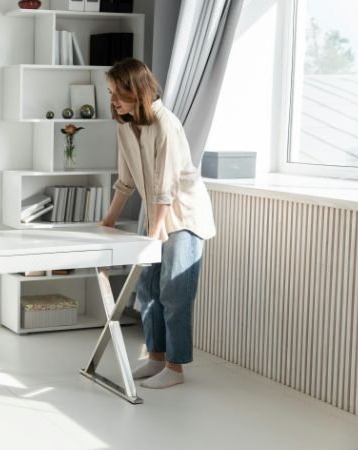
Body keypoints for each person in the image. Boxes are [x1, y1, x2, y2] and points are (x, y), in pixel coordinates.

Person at [100, 58, 216, 389]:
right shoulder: (125, 125)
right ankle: (155, 359)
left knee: (174, 291)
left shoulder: (166, 125)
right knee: (148, 289)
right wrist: (108, 220)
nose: (113, 101)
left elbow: (165, 186)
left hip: (183, 217)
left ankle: (175, 367)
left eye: (118, 93)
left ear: (137, 90)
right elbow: (126, 181)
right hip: (157, 216)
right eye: (110, 93)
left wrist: (154, 233)